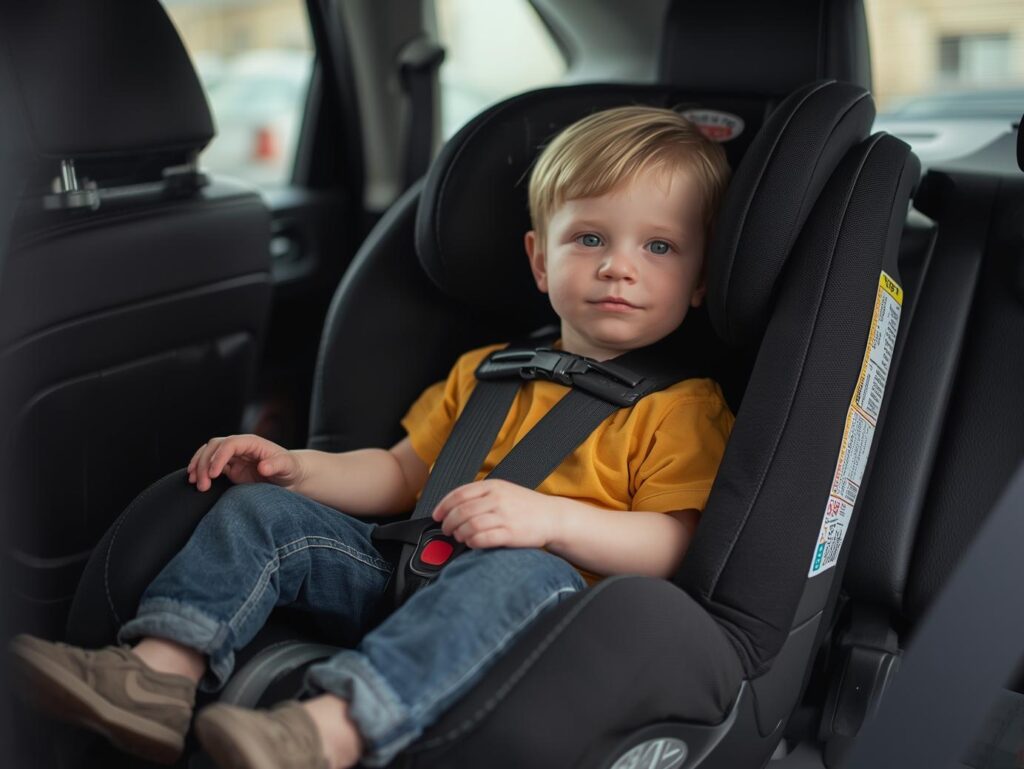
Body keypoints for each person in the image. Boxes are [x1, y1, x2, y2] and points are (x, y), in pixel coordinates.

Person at [9, 105, 733, 769]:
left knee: (523, 566)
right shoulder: (487, 372)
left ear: (701, 280)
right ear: (541, 259)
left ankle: (328, 729)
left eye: (661, 247)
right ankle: (159, 675)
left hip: (545, 614)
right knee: (263, 511)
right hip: (408, 570)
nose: (619, 265)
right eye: (590, 237)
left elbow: (675, 541)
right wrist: (297, 469)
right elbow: (398, 472)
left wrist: (549, 522)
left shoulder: (681, 407)